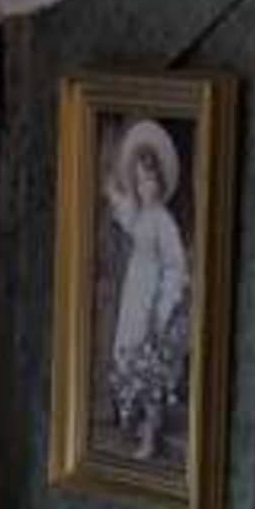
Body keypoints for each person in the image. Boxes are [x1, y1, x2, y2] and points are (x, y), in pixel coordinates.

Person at [99, 115, 193, 458]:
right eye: (139, 182)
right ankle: (136, 423)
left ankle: (150, 437)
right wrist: (114, 192)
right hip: (133, 298)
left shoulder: (164, 222)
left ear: (161, 180)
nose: (144, 188)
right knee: (127, 359)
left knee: (149, 368)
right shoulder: (140, 216)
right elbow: (125, 215)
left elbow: (175, 266)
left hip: (152, 301)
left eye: (149, 180)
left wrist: (163, 307)